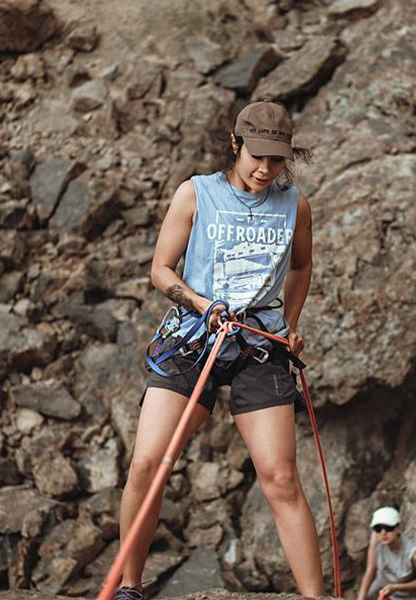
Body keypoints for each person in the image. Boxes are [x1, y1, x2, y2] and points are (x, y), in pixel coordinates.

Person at [112, 101, 323, 600]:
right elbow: (161, 270)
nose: (265, 169)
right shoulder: (196, 193)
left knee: (279, 478)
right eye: (257, 156)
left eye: (276, 160)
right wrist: (201, 303)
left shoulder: (295, 205)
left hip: (260, 345)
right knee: (147, 464)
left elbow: (301, 266)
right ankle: (129, 587)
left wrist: (289, 325)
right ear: (235, 144)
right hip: (191, 338)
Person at [357, 507, 416, 600]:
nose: (383, 533)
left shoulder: (414, 554)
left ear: (398, 529)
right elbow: (370, 570)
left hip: (409, 595)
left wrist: (396, 587)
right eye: (378, 529)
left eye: (389, 528)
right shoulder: (375, 540)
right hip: (384, 584)